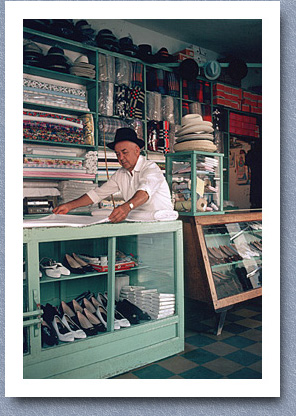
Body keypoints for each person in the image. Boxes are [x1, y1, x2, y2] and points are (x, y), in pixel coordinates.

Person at [53, 127, 173, 223]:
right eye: (117, 154)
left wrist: (127, 207)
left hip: (161, 222)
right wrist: (69, 206)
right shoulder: (120, 174)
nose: (121, 158)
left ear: (137, 150)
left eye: (124, 152)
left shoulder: (150, 168)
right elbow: (97, 194)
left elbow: (145, 191)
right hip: (138, 221)